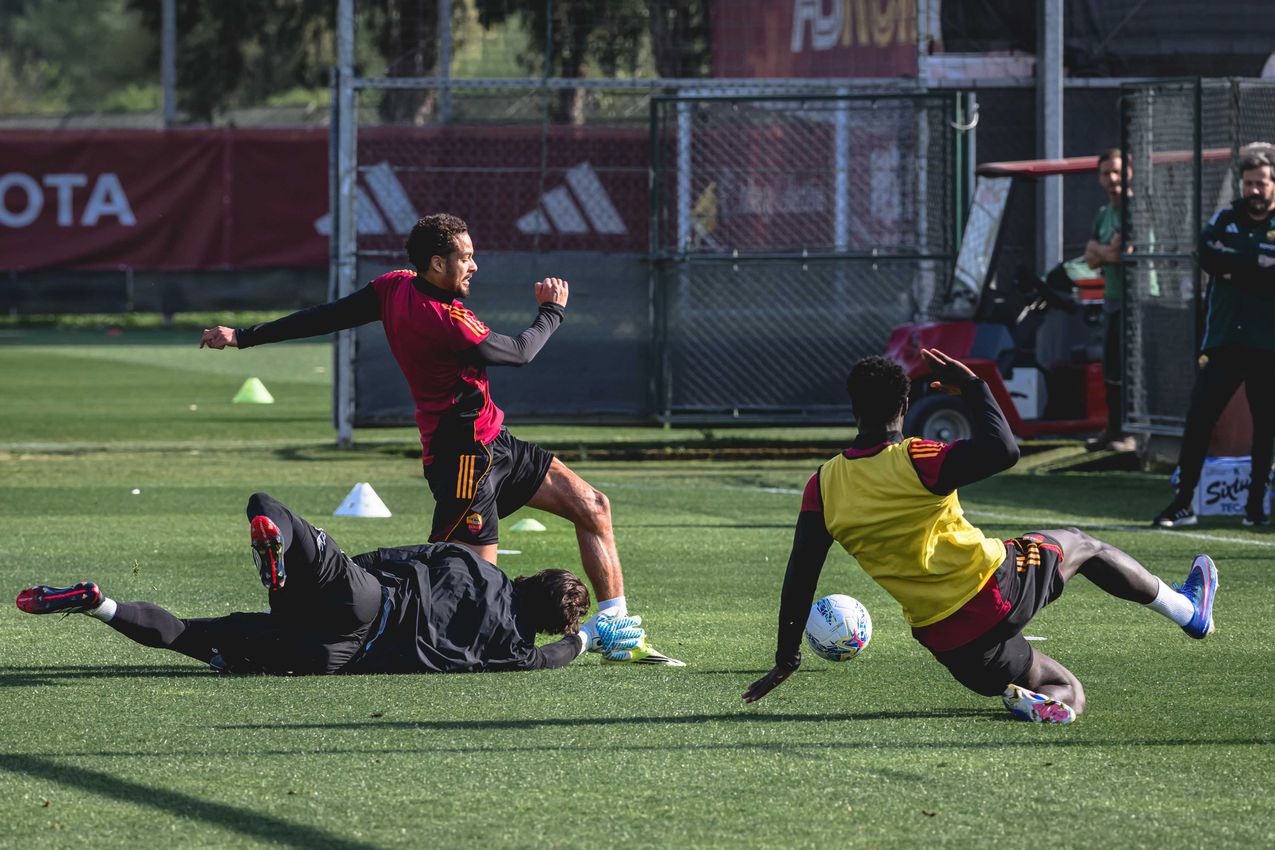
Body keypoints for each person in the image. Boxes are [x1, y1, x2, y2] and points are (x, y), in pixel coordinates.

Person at [199, 213, 680, 665]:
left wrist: (244, 335)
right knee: (467, 583)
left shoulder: (393, 287)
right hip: (464, 462)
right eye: (465, 257)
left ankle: (616, 629)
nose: (474, 265)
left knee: (593, 506)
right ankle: (332, 625)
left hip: (497, 444)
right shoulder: (445, 317)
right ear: (436, 263)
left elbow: (325, 317)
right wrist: (551, 313)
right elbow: (517, 353)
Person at [742, 351, 1218, 724]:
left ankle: (1032, 704)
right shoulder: (918, 457)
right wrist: (974, 387)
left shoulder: (823, 485)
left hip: (951, 643)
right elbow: (1004, 450)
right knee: (1082, 543)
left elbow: (800, 574)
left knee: (1067, 691)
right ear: (905, 406)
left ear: (853, 408)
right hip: (995, 588)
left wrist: (787, 658)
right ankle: (1188, 611)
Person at [15, 492, 649, 675]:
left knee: (269, 504)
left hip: (363, 598)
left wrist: (334, 572)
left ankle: (283, 549)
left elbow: (393, 555)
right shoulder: (512, 648)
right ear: (542, 620)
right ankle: (101, 605)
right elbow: (550, 658)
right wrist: (589, 639)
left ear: (529, 575)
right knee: (190, 638)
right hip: (337, 656)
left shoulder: (474, 566)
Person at [1152, 149, 1275, 528]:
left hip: (1267, 344)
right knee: (1200, 416)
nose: (1254, 190)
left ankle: (1256, 507)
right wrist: (1255, 261)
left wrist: (1234, 263)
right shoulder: (1226, 215)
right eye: (1249, 182)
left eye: (1262, 182)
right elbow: (1206, 254)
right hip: (1224, 340)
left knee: (1265, 424)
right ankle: (1183, 502)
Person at [1083, 147, 1137, 453]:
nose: (1112, 178)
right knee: (1111, 367)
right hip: (1112, 297)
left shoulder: (1135, 209)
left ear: (1128, 173)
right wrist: (1106, 251)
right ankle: (1113, 429)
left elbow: (1120, 254)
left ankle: (1131, 433)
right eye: (1106, 173)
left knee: (1131, 368)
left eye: (1117, 172)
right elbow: (1091, 258)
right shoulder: (1104, 214)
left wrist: (1102, 251)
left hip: (1137, 300)